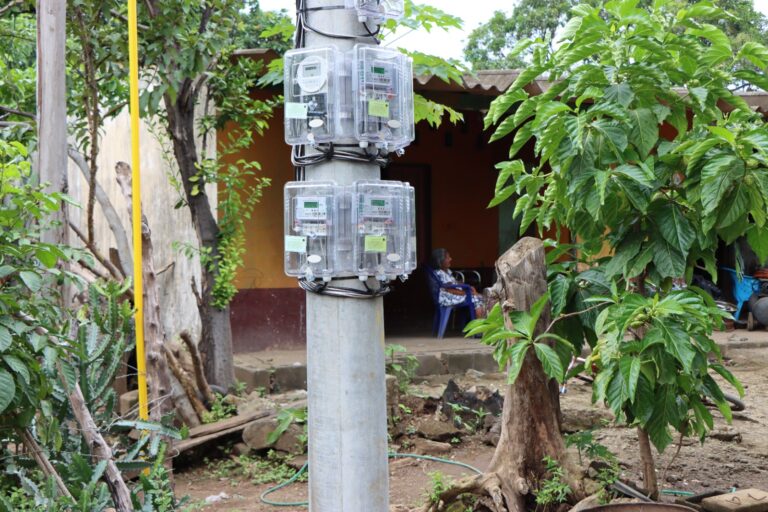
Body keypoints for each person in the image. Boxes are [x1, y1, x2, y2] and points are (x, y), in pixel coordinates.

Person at [430, 248, 485, 318]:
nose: (451, 259)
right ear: (440, 261)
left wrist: (461, 284)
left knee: (480, 297)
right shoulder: (441, 273)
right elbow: (449, 289)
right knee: (477, 299)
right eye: (448, 258)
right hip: (448, 298)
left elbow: (452, 284)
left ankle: (482, 321)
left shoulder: (446, 271)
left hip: (451, 295)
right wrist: (466, 292)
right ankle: (480, 324)